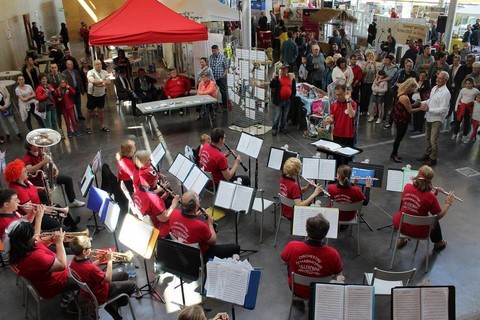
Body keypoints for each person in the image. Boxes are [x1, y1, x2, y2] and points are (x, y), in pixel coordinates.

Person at [5, 219, 78, 311]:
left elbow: (37, 243)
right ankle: (73, 306)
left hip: (41, 278)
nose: (36, 237)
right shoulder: (34, 257)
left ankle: (67, 295)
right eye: (33, 235)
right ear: (25, 241)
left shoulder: (15, 249)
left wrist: (50, 239)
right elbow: (62, 265)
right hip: (54, 283)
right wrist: (59, 242)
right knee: (86, 275)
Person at [69, 236, 137, 320]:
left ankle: (112, 305)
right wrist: (109, 261)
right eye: (90, 247)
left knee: (124, 275)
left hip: (91, 288)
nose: (91, 249)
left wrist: (99, 261)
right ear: (84, 251)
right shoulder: (91, 269)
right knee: (133, 285)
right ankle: (114, 304)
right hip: (101, 292)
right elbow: (108, 279)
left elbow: (86, 269)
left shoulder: (74, 260)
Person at [281, 213, 343, 299]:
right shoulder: (333, 254)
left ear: (307, 230)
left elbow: (284, 262)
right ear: (325, 234)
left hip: (296, 289)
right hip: (321, 291)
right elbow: (338, 274)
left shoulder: (292, 246)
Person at [392, 166, 453, 251]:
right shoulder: (430, 197)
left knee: (407, 209)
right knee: (434, 220)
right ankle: (439, 243)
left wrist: (433, 194)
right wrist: (448, 203)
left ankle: (401, 239)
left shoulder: (407, 187)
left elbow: (419, 198)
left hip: (401, 225)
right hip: (418, 231)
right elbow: (438, 215)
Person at [169, 190, 240, 260]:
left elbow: (185, 222)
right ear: (196, 206)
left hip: (183, 250)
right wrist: (210, 224)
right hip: (200, 255)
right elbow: (213, 241)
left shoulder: (173, 213)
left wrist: (195, 215)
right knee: (236, 247)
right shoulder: (200, 226)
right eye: (198, 200)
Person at [23, 142, 86, 209]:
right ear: (30, 147)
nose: (38, 145)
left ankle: (73, 201)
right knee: (44, 195)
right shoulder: (27, 158)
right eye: (35, 145)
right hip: (38, 181)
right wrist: (43, 162)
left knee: (68, 179)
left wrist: (56, 169)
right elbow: (29, 170)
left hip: (48, 177)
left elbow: (50, 160)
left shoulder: (40, 150)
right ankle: (53, 209)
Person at [133, 151, 179, 238]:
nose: (157, 181)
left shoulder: (139, 190)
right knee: (177, 214)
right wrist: (174, 204)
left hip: (147, 222)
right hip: (157, 228)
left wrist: (164, 196)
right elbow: (164, 218)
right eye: (156, 179)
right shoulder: (154, 198)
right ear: (151, 181)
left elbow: (151, 207)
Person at [417, 71, 450, 166]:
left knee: (433, 140)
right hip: (429, 116)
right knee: (427, 137)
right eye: (437, 77)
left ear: (445, 80)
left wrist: (429, 109)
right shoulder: (434, 88)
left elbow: (443, 109)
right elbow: (430, 100)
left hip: (437, 119)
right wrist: (421, 102)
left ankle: (433, 158)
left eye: (440, 78)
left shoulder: (445, 93)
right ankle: (428, 154)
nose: (438, 79)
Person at [390, 78, 423, 162]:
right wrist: (421, 108)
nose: (413, 91)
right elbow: (410, 110)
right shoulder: (405, 97)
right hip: (402, 119)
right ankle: (393, 154)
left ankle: (394, 153)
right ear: (410, 87)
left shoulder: (401, 92)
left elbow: (407, 106)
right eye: (413, 89)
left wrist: (414, 104)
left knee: (398, 137)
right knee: (399, 137)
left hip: (398, 117)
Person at [325, 85, 356, 166]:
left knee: (347, 160)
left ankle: (346, 176)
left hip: (348, 136)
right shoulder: (334, 105)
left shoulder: (352, 104)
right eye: (336, 94)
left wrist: (348, 100)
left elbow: (351, 115)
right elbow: (332, 118)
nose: (338, 96)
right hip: (337, 135)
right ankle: (337, 177)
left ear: (345, 93)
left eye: (340, 94)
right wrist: (329, 120)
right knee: (336, 159)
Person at [269, 64, 296, 136]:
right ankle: (274, 128)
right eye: (282, 69)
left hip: (287, 100)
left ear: (287, 70)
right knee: (277, 115)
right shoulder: (278, 78)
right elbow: (272, 86)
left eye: (285, 69)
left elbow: (293, 89)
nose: (284, 70)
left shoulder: (291, 78)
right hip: (279, 100)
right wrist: (273, 78)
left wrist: (291, 98)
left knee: (285, 116)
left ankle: (282, 127)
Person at [86, 59, 111, 134]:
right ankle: (87, 126)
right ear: (94, 65)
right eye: (97, 64)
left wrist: (100, 83)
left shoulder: (105, 72)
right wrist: (103, 82)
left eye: (100, 64)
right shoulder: (90, 72)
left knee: (100, 111)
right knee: (89, 111)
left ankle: (102, 126)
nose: (99, 65)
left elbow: (109, 81)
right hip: (92, 95)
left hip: (101, 94)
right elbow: (93, 81)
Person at [452, 77, 479, 142]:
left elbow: (478, 97)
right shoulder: (463, 90)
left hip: (468, 109)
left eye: (469, 84)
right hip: (461, 107)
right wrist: (456, 108)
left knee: (467, 122)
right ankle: (455, 134)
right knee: (458, 121)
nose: (467, 85)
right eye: (466, 83)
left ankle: (464, 136)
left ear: (473, 84)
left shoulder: (475, 91)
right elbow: (458, 98)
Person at [209, 45, 229, 111]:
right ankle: (214, 105)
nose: (213, 52)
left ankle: (225, 106)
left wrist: (223, 75)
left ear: (218, 50)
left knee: (223, 91)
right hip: (213, 78)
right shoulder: (210, 57)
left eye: (214, 51)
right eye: (212, 51)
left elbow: (226, 68)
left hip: (221, 77)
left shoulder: (223, 57)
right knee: (212, 92)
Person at [361, 51, 377, 117]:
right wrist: (365, 65)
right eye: (368, 56)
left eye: (371, 56)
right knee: (363, 97)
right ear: (366, 57)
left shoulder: (374, 64)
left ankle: (366, 110)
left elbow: (375, 73)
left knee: (368, 97)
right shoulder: (364, 63)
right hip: (364, 82)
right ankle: (361, 111)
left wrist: (375, 66)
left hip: (371, 82)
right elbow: (362, 73)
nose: (370, 57)